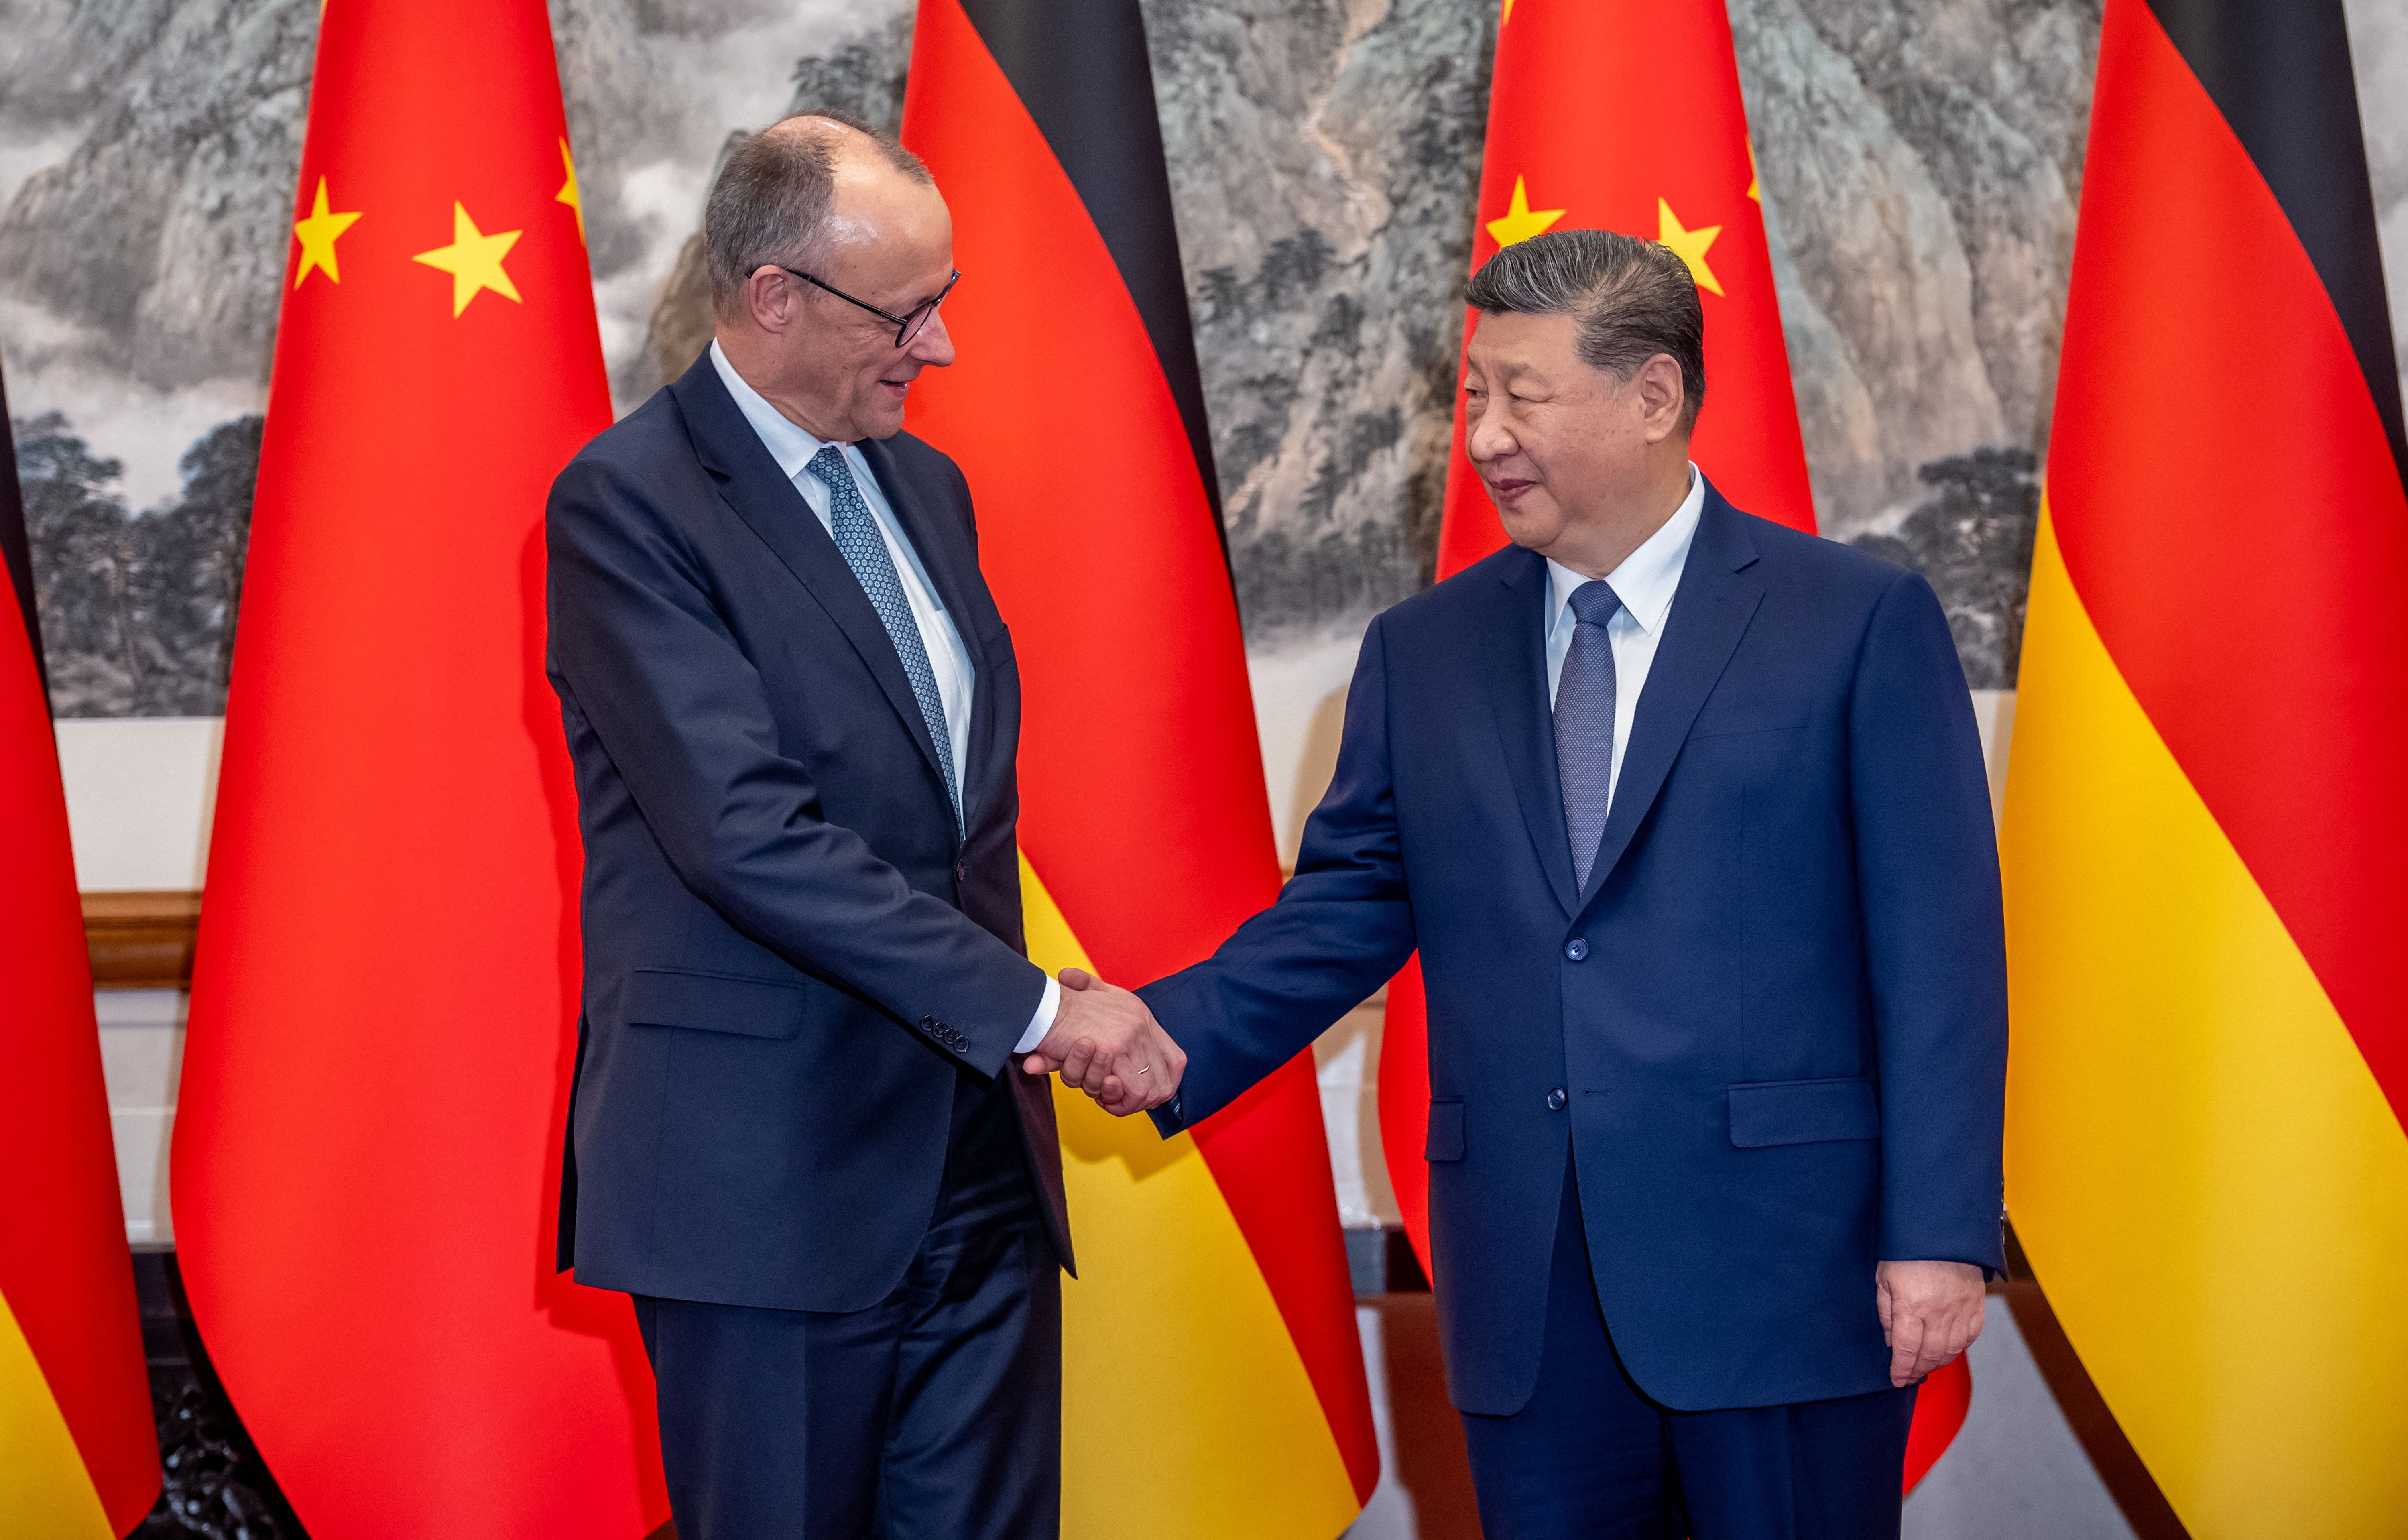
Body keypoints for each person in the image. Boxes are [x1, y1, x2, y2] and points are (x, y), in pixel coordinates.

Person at [1048, 228, 2006, 1537]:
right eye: (1473, 396)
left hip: (1785, 1280)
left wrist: (1942, 1230)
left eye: (1522, 395)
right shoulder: (1423, 652)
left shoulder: (1854, 622)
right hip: (1527, 1292)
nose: (1486, 435)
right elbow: (1343, 914)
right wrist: (1166, 1036)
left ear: (1654, 396)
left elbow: (1939, 953)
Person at [543, 113, 1180, 1540]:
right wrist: (1039, 1010)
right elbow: (746, 833)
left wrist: (1024, 1013)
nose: (938, 347)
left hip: (975, 1169)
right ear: (775, 296)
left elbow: (945, 827)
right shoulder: (628, 505)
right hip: (767, 1187)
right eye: (908, 312)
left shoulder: (927, 488)